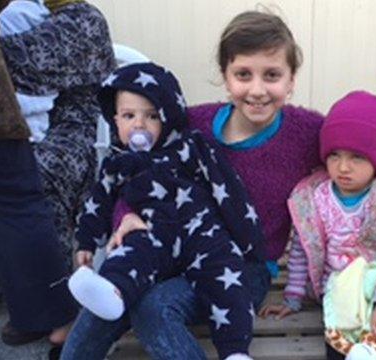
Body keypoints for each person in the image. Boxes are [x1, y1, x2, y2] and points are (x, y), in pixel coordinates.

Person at [61, 10, 376, 359]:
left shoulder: (305, 132)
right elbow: (137, 171)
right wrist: (126, 214)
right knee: (109, 294)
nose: (257, 89)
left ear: (291, 79)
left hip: (246, 267)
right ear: (225, 75)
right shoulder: (194, 124)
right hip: (174, 246)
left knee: (153, 309)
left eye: (272, 75)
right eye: (244, 74)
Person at [68, 62, 262, 360]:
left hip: (200, 229)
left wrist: (248, 241)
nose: (139, 125)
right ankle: (113, 292)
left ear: (169, 116)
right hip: (154, 232)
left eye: (152, 116)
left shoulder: (190, 147)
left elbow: (227, 189)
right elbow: (99, 202)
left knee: (226, 274)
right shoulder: (119, 165)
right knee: (128, 254)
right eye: (129, 116)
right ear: (115, 120)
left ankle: (235, 352)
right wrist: (85, 242)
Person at [0, 0, 115, 346]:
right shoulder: (17, 16)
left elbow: (34, 67)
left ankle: (47, 317)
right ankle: (39, 312)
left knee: (25, 190)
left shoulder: (80, 19)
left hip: (63, 127)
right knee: (11, 198)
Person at [259, 91, 376, 359]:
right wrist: (293, 297)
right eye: (334, 155)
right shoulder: (314, 198)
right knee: (342, 347)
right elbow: (303, 248)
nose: (343, 167)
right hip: (338, 294)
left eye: (357, 157)